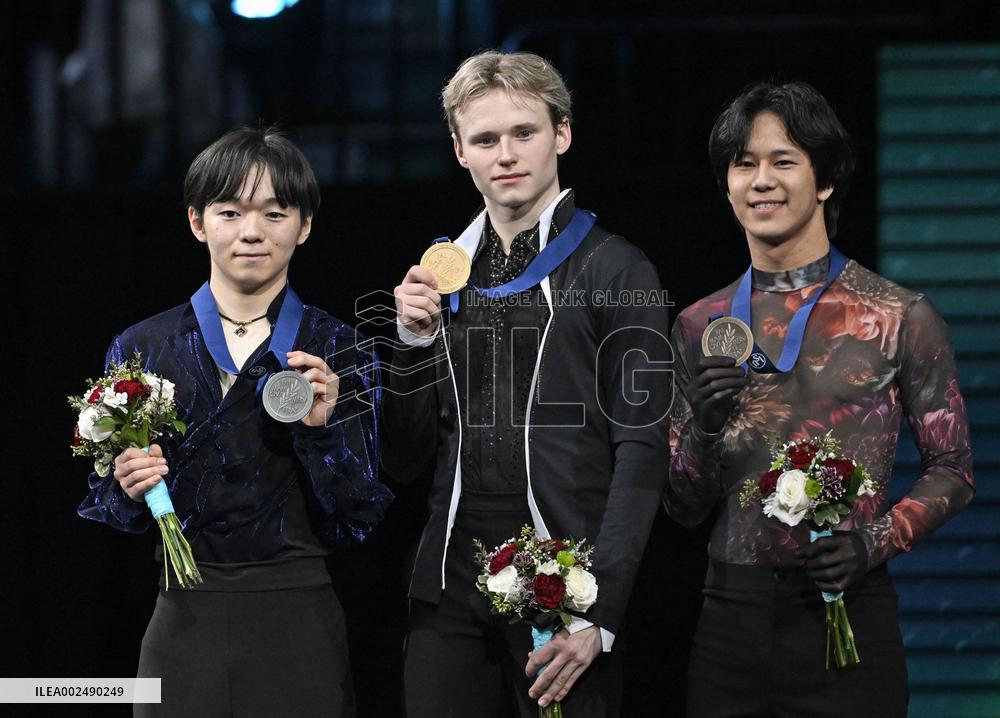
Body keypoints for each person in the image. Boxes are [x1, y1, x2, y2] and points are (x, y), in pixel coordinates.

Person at [664, 81, 975, 717]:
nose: (761, 181)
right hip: (730, 623)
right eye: (744, 164)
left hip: (850, 612)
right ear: (727, 185)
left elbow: (954, 469)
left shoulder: (898, 316)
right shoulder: (699, 325)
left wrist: (873, 542)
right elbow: (684, 506)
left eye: (783, 161)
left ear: (826, 179)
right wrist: (704, 426)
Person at [383, 50, 671, 717]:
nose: (506, 154)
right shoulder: (439, 275)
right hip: (449, 584)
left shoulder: (618, 269)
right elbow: (404, 458)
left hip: (566, 585)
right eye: (485, 139)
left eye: (524, 132)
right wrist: (411, 343)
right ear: (460, 151)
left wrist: (601, 611)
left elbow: (642, 449)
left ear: (561, 134)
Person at [78, 127, 392, 717]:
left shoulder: (339, 348)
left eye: (275, 213)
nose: (252, 231)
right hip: (183, 618)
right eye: (230, 212)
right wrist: (127, 483)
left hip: (298, 621)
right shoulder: (142, 346)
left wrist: (321, 431)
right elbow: (110, 505)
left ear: (304, 225)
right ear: (197, 222)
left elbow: (359, 515)